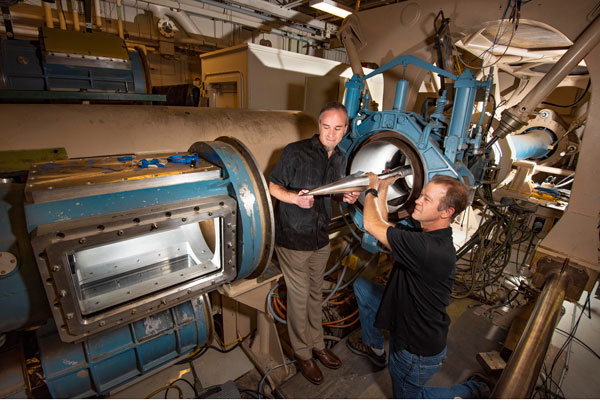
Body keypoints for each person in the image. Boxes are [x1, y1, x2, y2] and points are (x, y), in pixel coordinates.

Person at [347, 173, 490, 398]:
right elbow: (383, 224)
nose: (417, 201)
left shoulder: (427, 249)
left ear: (447, 212)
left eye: (427, 199)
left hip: (415, 352)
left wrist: (371, 189)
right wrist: (384, 188)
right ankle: (375, 349)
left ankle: (474, 390)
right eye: (421, 195)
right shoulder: (427, 236)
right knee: (364, 288)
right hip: (404, 321)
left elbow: (371, 224)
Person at [268, 102, 360, 385]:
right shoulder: (295, 152)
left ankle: (318, 345)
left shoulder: (341, 157)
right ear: (319, 126)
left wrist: (345, 196)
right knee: (298, 298)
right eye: (326, 127)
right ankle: (303, 354)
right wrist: (295, 198)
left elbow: (331, 191)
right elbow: (273, 185)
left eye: (338, 128)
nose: (331, 133)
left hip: (320, 237)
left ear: (346, 129)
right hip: (294, 237)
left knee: (315, 294)